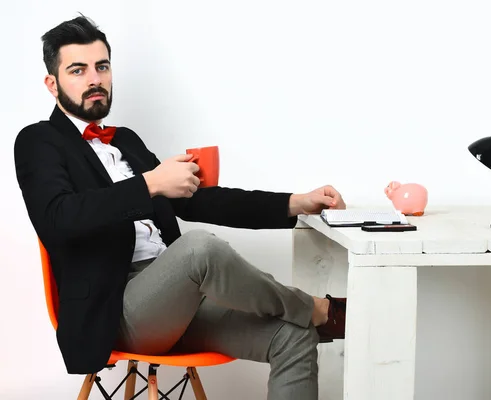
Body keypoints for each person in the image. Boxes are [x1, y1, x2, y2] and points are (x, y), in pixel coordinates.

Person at [14, 15, 347, 400]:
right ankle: (315, 308)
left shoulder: (125, 141)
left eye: (102, 66)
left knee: (293, 336)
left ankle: (306, 318)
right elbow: (58, 218)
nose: (94, 79)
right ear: (51, 83)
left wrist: (294, 203)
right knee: (198, 249)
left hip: (177, 300)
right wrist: (151, 183)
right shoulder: (38, 140)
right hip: (116, 312)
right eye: (78, 69)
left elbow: (203, 200)